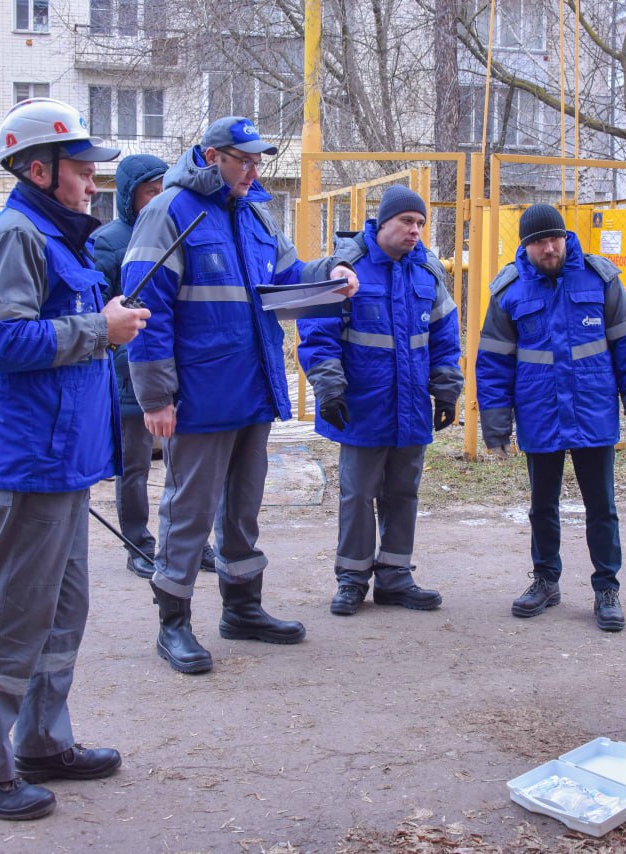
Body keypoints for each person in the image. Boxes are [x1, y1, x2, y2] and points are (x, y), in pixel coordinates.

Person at [0, 98, 149, 820]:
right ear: (40, 170)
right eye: (81, 167)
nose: (93, 180)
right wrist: (100, 329)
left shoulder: (59, 237)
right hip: (33, 460)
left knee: (63, 610)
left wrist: (103, 324)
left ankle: (40, 742)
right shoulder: (17, 236)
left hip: (63, 460)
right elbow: (5, 342)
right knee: (17, 613)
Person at [124, 116, 357, 674]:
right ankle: (173, 624)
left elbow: (288, 276)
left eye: (257, 161)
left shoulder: (254, 214)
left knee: (243, 509)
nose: (254, 172)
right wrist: (155, 397)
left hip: (253, 389)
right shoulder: (169, 212)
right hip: (199, 396)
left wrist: (334, 270)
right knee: (189, 510)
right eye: (244, 161)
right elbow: (144, 307)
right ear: (212, 157)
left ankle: (243, 609)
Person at [475, 203, 626, 632]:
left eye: (554, 238)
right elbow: (493, 364)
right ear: (525, 246)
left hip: (592, 413)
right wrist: (496, 426)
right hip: (540, 414)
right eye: (539, 242)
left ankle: (606, 588)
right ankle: (545, 580)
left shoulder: (600, 279)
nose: (549, 248)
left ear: (565, 236)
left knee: (601, 506)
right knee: (542, 505)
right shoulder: (509, 291)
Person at [297, 185, 463, 616]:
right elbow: (317, 333)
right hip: (362, 406)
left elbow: (445, 337)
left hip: (410, 406)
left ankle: (395, 577)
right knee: (357, 495)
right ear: (383, 221)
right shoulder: (346, 268)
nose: (415, 230)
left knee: (403, 493)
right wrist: (329, 388)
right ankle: (352, 580)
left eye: (420, 223)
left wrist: (447, 388)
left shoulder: (427, 272)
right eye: (407, 221)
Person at [92, 154, 218, 580]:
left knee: (187, 466)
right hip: (130, 374)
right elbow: (102, 311)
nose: (159, 198)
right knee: (135, 466)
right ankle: (138, 543)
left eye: (164, 189)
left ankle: (192, 542)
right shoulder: (109, 242)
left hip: (181, 369)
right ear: (129, 197)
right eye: (150, 191)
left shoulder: (181, 231)